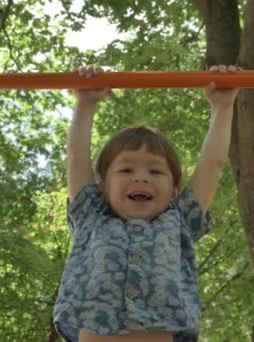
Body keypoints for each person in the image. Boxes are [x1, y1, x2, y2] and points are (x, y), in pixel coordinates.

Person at [53, 65, 240, 342]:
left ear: (175, 190)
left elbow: (212, 166)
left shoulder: (180, 220)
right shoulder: (91, 215)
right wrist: (85, 103)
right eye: (126, 171)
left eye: (155, 171)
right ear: (102, 187)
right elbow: (76, 157)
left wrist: (223, 107)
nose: (141, 179)